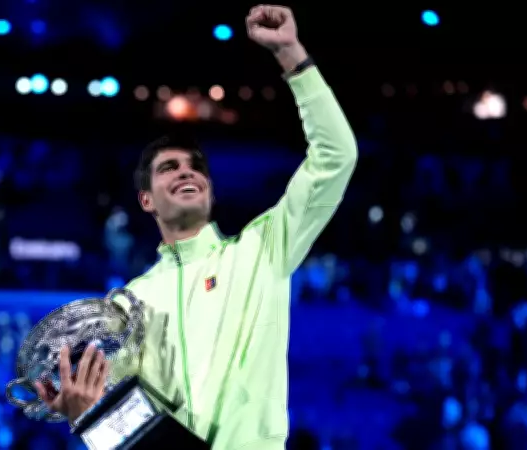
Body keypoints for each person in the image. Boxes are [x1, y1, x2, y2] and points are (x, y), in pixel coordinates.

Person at [35, 4, 357, 449]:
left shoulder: (263, 249)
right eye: (169, 168)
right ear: (146, 200)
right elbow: (130, 437)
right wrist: (86, 415)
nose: (186, 172)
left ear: (210, 190)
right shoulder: (129, 303)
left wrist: (291, 56)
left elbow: (337, 156)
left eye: (195, 167)